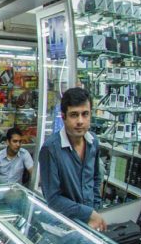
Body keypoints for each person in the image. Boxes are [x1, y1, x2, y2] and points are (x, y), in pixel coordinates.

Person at [39, 88, 107, 231]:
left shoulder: (93, 141)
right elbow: (53, 199)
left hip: (91, 224)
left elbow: (95, 179)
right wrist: (88, 213)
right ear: (63, 116)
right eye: (74, 115)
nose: (80, 121)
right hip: (64, 226)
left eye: (85, 114)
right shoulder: (50, 149)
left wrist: (96, 209)